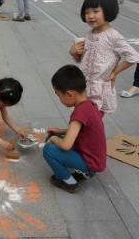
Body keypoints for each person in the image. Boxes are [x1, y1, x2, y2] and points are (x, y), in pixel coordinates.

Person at [69, 0, 139, 114]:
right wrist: (74, 52)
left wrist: (115, 72)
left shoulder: (113, 37)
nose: (90, 16)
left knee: (92, 119)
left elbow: (133, 57)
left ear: (108, 11)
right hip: (84, 85)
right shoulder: (90, 34)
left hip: (100, 88)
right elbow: (84, 60)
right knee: (85, 118)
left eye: (96, 11)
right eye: (87, 12)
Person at [43, 65, 106, 193]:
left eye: (58, 95)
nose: (58, 99)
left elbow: (66, 145)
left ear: (70, 94)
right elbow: (81, 130)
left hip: (90, 162)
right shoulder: (88, 105)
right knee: (53, 138)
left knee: (49, 149)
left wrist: (55, 138)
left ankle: (69, 182)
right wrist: (59, 131)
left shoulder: (80, 113)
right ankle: (83, 172)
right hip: (94, 159)